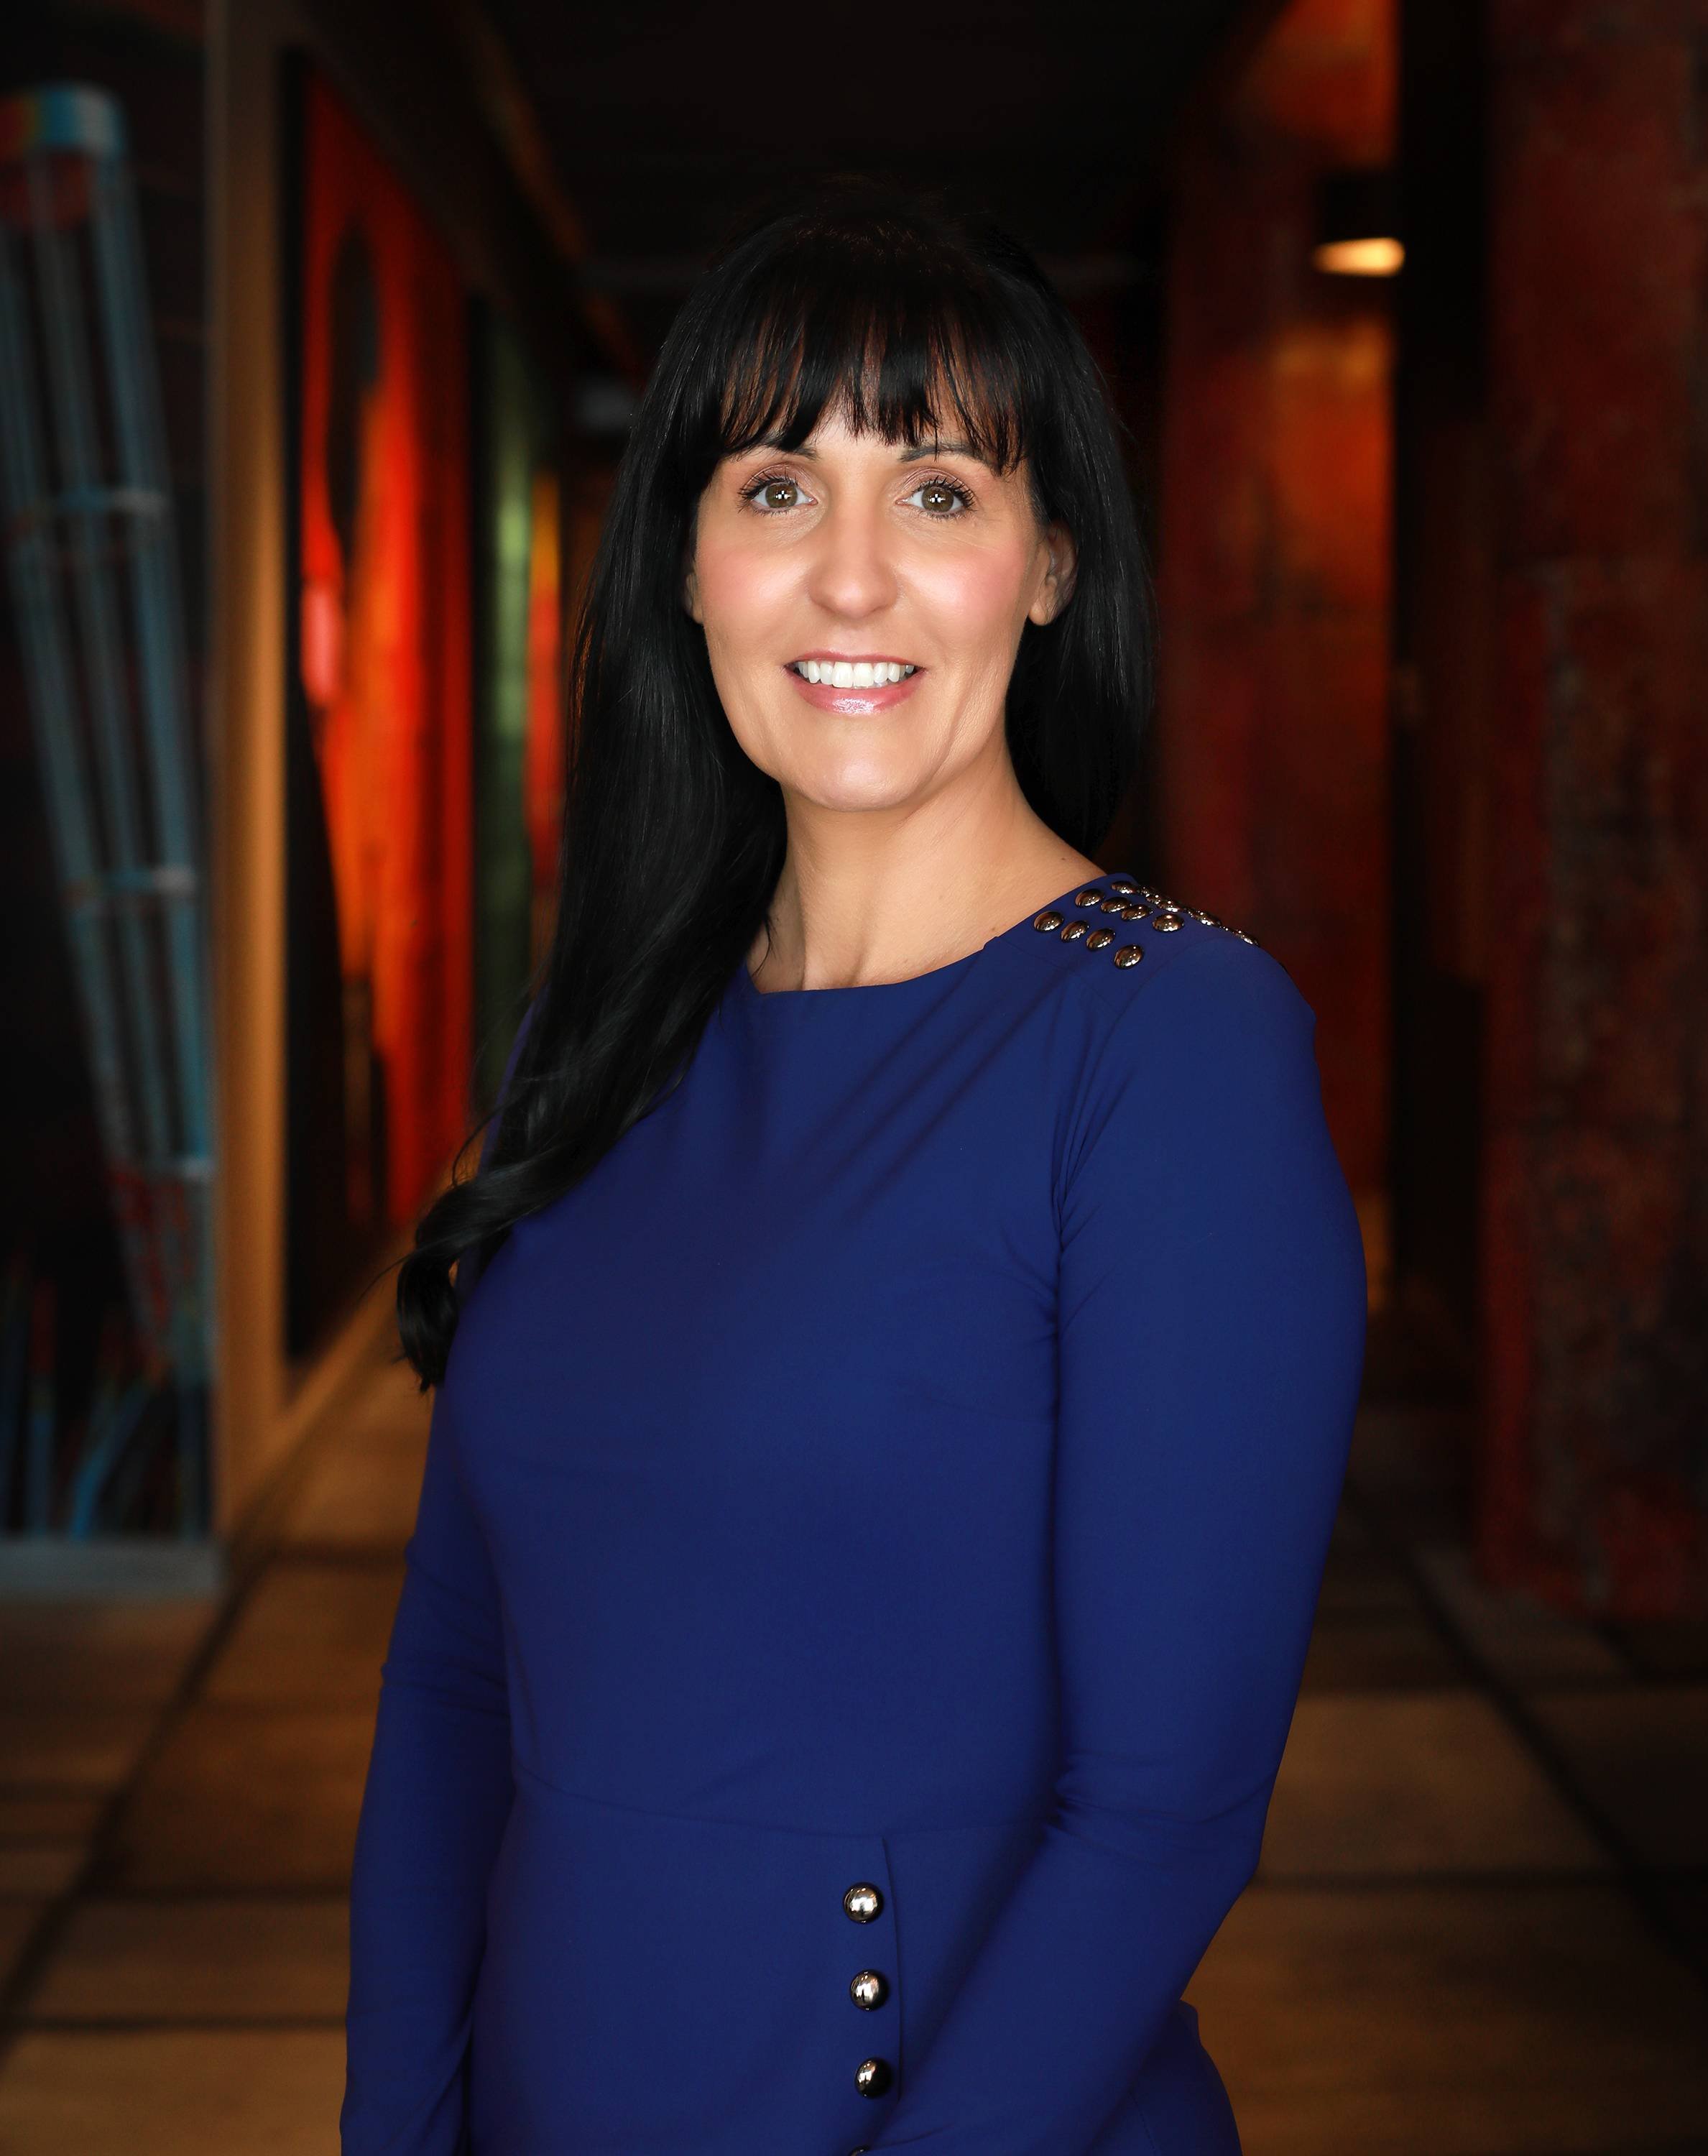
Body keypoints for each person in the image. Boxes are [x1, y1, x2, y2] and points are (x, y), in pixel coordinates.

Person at [340, 180, 1368, 2156]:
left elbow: (1166, 1813)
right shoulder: (598, 1038)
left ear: (1051, 565)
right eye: (779, 488)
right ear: (692, 566)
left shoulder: (1173, 1049)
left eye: (945, 492)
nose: (853, 581)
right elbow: (456, 1682)